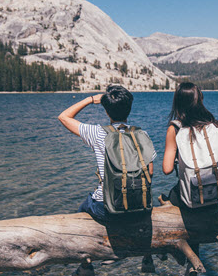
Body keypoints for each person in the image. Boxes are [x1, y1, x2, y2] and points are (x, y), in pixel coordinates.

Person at [59, 85, 155, 222]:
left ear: (106, 112)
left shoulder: (98, 133)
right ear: (129, 109)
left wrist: (90, 99)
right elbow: (150, 171)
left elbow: (63, 117)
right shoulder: (142, 135)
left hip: (107, 208)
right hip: (140, 206)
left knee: (82, 210)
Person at [162, 82, 218, 206]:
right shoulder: (215, 125)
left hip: (190, 200)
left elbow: (167, 169)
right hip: (216, 196)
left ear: (178, 103)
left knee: (169, 197)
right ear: (200, 100)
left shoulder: (175, 129)